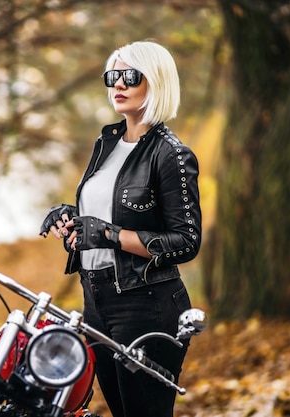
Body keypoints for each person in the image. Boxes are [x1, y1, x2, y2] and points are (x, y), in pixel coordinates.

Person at [39, 40, 202, 417]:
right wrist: (72, 219)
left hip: (146, 306)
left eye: (130, 76)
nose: (118, 84)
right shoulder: (106, 144)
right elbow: (102, 215)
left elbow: (186, 242)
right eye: (112, 76)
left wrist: (107, 234)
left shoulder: (171, 154)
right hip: (95, 302)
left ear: (156, 81)